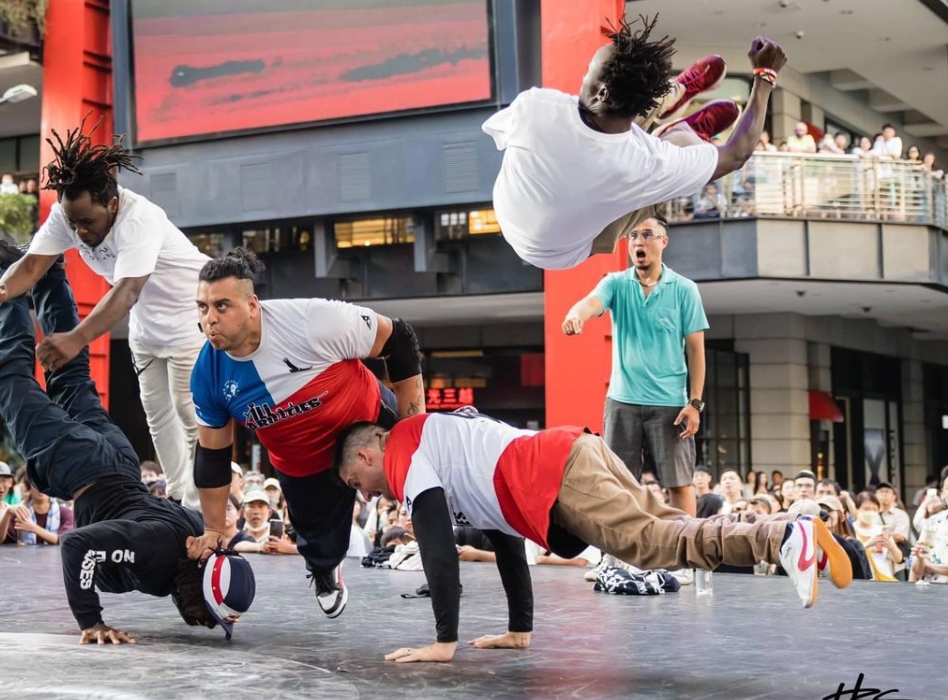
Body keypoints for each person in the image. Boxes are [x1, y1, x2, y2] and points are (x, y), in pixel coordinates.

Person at [333, 411, 851, 663]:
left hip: (556, 471)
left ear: (366, 455)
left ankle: (785, 537)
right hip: (573, 450)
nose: (369, 494)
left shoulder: (402, 453)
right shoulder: (441, 448)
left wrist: (443, 644)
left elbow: (437, 552)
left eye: (359, 483)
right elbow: (508, 537)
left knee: (650, 545)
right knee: (667, 528)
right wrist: (520, 629)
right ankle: (785, 534)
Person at [0, 252, 254, 643]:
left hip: (118, 460)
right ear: (199, 574)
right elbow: (76, 544)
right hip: (82, 467)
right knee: (10, 381)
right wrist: (91, 620)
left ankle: (51, 273)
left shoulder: (196, 538)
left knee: (70, 373)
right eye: (206, 614)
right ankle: (7, 269)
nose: (200, 621)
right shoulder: (156, 553)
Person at [0, 120, 209, 508]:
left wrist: (76, 338)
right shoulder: (69, 215)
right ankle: (179, 497)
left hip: (188, 325)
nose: (80, 231)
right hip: (148, 333)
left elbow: (126, 291)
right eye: (73, 223)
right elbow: (32, 265)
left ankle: (200, 506)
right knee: (158, 418)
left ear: (112, 204)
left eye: (88, 222)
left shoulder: (140, 220)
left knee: (188, 414)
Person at [184, 247, 425, 619]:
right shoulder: (207, 376)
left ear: (252, 305)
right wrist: (215, 528)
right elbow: (213, 455)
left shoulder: (313, 321)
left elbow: (400, 341)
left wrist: (415, 431)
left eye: (222, 306)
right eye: (202, 307)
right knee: (318, 545)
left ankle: (439, 563)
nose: (209, 319)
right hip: (301, 462)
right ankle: (326, 567)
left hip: (367, 420)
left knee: (429, 484)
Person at [482, 16, 786, 270]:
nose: (582, 78)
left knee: (605, 126)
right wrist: (765, 76)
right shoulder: (647, 164)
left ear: (600, 92)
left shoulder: (535, 106)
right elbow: (736, 153)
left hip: (537, 235)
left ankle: (674, 106)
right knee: (657, 172)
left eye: (587, 72)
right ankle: (677, 125)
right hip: (563, 245)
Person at [562, 214, 707, 517]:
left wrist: (695, 403)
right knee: (616, 482)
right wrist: (576, 315)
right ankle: (617, 558)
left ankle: (686, 558)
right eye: (634, 236)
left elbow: (695, 350)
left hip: (670, 403)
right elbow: (590, 303)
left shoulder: (684, 289)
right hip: (622, 401)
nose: (639, 242)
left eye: (648, 235)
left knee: (679, 483)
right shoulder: (616, 283)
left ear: (663, 242)